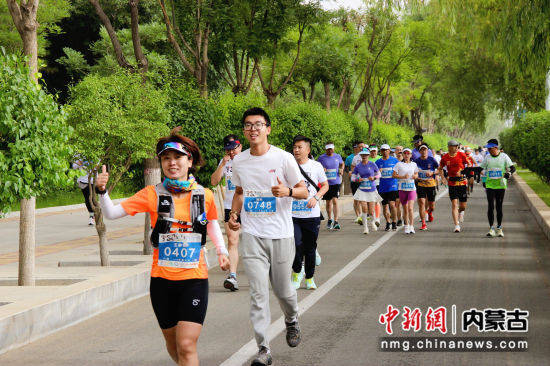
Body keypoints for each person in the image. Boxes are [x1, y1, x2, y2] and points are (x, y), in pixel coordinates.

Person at [96, 129, 230, 366]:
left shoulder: (204, 195)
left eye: (177, 158)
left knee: (187, 345)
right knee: (174, 346)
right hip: (162, 281)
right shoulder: (152, 194)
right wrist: (102, 191)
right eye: (166, 158)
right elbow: (111, 213)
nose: (172, 163)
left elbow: (211, 224)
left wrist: (222, 251)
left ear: (189, 161)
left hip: (194, 279)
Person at [228, 107, 308, 366]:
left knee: (284, 292)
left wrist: (287, 191)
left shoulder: (283, 158)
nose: (253, 129)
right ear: (244, 130)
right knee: (258, 294)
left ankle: (292, 319)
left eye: (258, 124)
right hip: (252, 235)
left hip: (281, 235)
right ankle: (263, 349)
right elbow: (239, 190)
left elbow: (303, 191)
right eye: (248, 125)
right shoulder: (238, 161)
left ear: (268, 129)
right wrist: (234, 213)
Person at [290, 135, 329, 290]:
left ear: (308, 149)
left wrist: (316, 197)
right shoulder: (289, 165)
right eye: (295, 147)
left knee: (310, 247)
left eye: (300, 147)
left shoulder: (316, 166)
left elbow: (325, 185)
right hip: (292, 214)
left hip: (311, 215)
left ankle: (310, 277)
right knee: (296, 244)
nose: (297, 150)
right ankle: (296, 273)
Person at [210, 134, 242, 291]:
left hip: (249, 205)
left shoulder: (248, 159)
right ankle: (233, 276)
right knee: (232, 240)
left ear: (240, 146)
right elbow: (214, 181)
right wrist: (222, 164)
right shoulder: (225, 162)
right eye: (228, 150)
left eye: (233, 149)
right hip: (231, 207)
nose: (231, 153)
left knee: (255, 241)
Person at [480, 139, 515, 237]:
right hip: (490, 185)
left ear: (496, 147)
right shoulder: (487, 157)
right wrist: (481, 178)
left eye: (490, 148)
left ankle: (499, 228)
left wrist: (509, 173)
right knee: (490, 206)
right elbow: (481, 168)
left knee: (499, 206)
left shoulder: (504, 156)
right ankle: (491, 228)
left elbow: (513, 168)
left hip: (500, 185)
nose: (489, 150)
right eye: (488, 149)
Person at [437, 140, 471, 233]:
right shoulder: (445, 157)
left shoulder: (461, 155)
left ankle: (461, 212)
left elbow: (469, 164)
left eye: (457, 146)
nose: (456, 148)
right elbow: (440, 168)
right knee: (454, 204)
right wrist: (443, 178)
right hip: (452, 183)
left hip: (462, 182)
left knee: (463, 206)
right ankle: (456, 225)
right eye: (454, 146)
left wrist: (464, 172)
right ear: (449, 147)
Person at [351, 148, 382, 234]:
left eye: (365, 155)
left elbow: (379, 174)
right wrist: (358, 179)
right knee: (364, 208)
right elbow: (353, 177)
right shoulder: (358, 166)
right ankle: (365, 228)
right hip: (362, 190)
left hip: (371, 189)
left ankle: (372, 222)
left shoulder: (372, 164)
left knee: (371, 210)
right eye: (362, 155)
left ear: (368, 156)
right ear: (360, 156)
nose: (364, 156)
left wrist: (374, 177)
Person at [317, 142, 345, 230]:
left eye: (331, 149)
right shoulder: (321, 158)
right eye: (328, 149)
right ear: (325, 149)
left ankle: (336, 221)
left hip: (336, 182)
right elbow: (316, 167)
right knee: (328, 202)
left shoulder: (337, 156)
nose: (330, 150)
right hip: (325, 183)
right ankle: (330, 219)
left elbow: (342, 163)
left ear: (334, 148)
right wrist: (322, 169)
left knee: (335, 201)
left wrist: (341, 169)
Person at [393, 148, 419, 234]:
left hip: (411, 189)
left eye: (408, 153)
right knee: (405, 209)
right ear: (403, 155)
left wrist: (415, 176)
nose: (407, 155)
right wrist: (402, 177)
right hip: (402, 189)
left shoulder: (414, 164)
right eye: (405, 153)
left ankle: (411, 226)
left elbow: (416, 173)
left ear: (411, 155)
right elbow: (394, 175)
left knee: (410, 208)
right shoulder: (399, 164)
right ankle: (406, 225)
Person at [414, 145, 439, 230]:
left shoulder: (431, 160)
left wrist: (432, 173)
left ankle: (430, 212)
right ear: (420, 152)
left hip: (431, 184)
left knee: (432, 206)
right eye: (422, 150)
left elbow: (439, 169)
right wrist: (417, 177)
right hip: (421, 184)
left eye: (425, 150)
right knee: (421, 202)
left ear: (427, 151)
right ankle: (423, 224)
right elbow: (413, 172)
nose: (423, 151)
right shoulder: (416, 161)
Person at [375, 144, 399, 231]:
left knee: (392, 205)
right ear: (381, 152)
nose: (384, 152)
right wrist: (378, 172)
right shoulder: (378, 162)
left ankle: (394, 222)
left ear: (389, 151)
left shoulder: (395, 160)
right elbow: (374, 175)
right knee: (385, 207)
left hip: (392, 186)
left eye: (386, 150)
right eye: (383, 150)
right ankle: (388, 222)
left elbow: (398, 172)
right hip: (382, 187)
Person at [72, 157, 95, 226]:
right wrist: (80, 161)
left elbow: (97, 166)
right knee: (87, 199)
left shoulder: (95, 152)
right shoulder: (79, 154)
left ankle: (93, 215)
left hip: (92, 180)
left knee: (92, 198)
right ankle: (92, 215)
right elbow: (74, 166)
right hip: (83, 180)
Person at [347, 141, 366, 225]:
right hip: (356, 181)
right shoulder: (355, 158)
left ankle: (363, 215)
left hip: (365, 181)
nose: (361, 148)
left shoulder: (367, 156)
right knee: (356, 199)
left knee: (363, 199)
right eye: (360, 147)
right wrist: (353, 174)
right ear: (357, 148)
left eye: (362, 147)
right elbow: (352, 168)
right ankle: (358, 216)